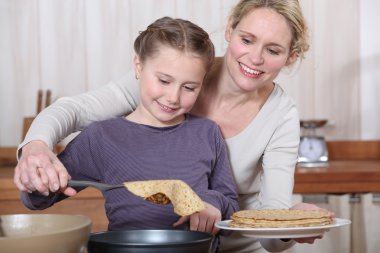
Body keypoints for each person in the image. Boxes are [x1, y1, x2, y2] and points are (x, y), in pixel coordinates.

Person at [14, 1, 334, 252]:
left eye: (273, 50)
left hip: (230, 247)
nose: (255, 57)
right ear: (230, 30)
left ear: (290, 57)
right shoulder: (169, 71)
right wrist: (36, 153)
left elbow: (258, 218)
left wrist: (291, 223)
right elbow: (73, 113)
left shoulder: (225, 129)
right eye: (247, 39)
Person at [20, 16, 239, 247]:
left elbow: (230, 204)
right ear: (138, 66)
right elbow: (36, 200)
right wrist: (39, 181)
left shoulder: (207, 133)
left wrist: (211, 203)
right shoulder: (102, 137)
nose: (173, 97)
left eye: (189, 87)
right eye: (164, 81)